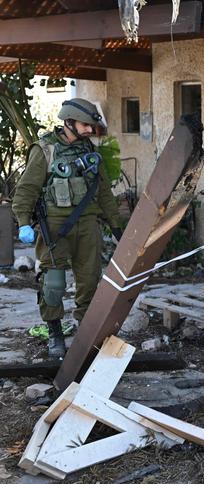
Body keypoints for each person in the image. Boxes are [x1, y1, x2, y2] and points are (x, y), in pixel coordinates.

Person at [12, 98, 122, 358]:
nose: (89, 130)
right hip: (54, 227)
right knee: (54, 283)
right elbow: (26, 190)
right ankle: (55, 332)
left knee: (90, 282)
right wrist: (24, 222)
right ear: (68, 121)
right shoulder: (45, 150)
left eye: (91, 126)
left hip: (88, 225)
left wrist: (117, 226)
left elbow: (104, 191)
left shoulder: (90, 152)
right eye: (85, 125)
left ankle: (86, 331)